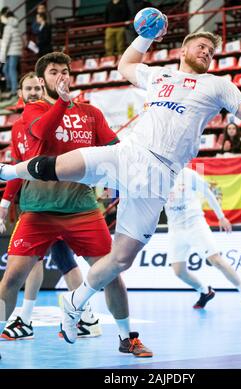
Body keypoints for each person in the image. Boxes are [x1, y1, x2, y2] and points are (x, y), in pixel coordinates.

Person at [0, 30, 241, 352]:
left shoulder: (219, 85)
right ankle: (7, 170)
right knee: (60, 166)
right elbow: (126, 65)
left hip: (161, 174)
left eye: (212, 50)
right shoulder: (159, 75)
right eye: (201, 46)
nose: (207, 52)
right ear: (184, 49)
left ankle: (75, 303)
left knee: (121, 259)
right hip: (130, 154)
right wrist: (145, 36)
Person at [0, 52, 153, 357]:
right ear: (43, 81)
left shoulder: (91, 113)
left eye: (65, 71)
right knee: (11, 278)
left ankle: (127, 338)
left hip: (82, 209)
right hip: (39, 210)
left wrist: (140, 144)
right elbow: (41, 132)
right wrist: (62, 102)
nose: (61, 77)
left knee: (112, 274)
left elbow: (114, 147)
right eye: (54, 72)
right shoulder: (33, 112)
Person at [0, 72, 100, 340]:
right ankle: (84, 318)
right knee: (62, 261)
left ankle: (29, 319)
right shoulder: (19, 126)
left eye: (37, 88)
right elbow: (19, 169)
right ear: (20, 93)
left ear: (43, 89)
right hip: (39, 203)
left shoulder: (54, 119)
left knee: (51, 261)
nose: (33, 92)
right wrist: (5, 200)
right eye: (28, 89)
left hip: (61, 204)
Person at [165, 167, 241, 309]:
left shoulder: (189, 174)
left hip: (195, 224)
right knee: (179, 271)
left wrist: (221, 217)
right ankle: (205, 291)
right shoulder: (158, 178)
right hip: (175, 229)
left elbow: (208, 194)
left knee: (216, 261)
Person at [0, 11, 22, 100]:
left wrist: (2, 57)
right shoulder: (15, 26)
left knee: (11, 69)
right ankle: (10, 87)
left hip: (12, 52)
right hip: (14, 51)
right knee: (6, 69)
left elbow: (5, 43)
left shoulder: (8, 27)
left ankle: (13, 90)